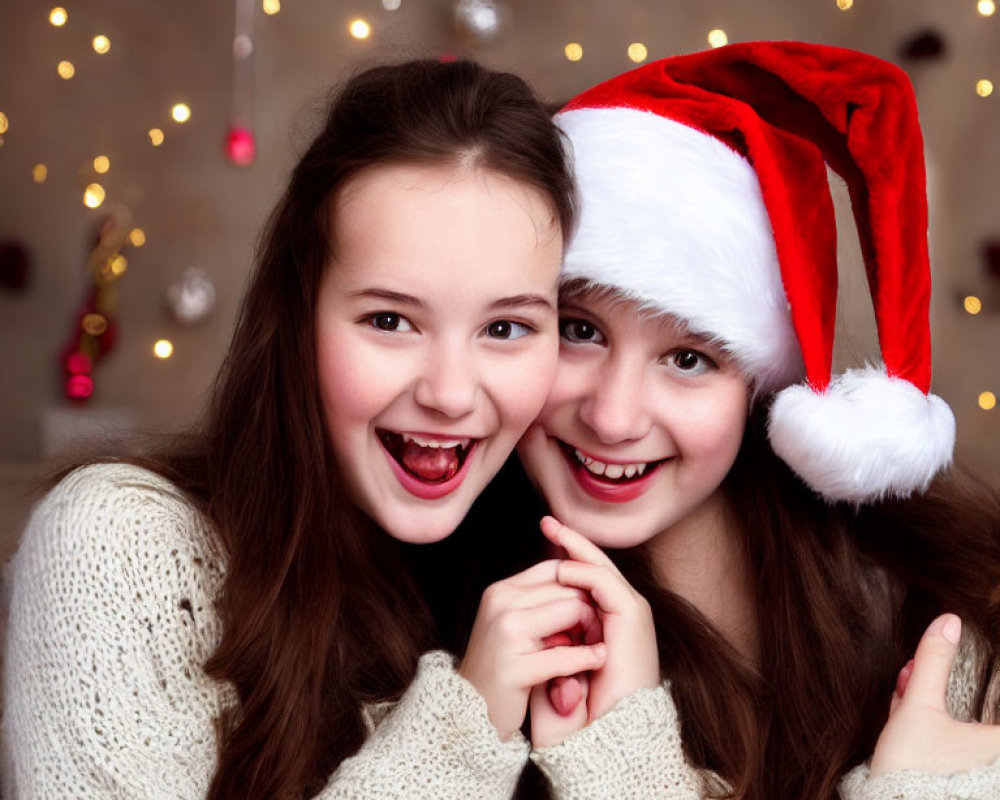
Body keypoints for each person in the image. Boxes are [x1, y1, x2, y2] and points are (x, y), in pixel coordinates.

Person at [3, 59, 606, 799]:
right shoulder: (116, 543)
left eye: (507, 327)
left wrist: (621, 745)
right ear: (298, 319)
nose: (450, 394)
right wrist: (460, 732)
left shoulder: (561, 577)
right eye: (390, 320)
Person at [505, 42, 1000, 798]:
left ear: (760, 387)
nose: (612, 416)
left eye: (690, 359)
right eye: (580, 330)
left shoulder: (933, 608)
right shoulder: (458, 644)